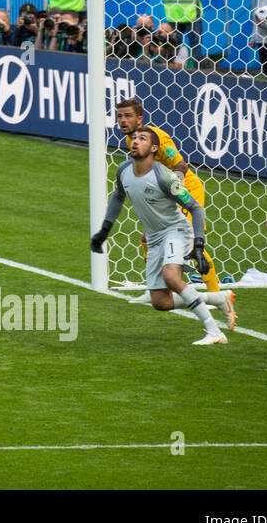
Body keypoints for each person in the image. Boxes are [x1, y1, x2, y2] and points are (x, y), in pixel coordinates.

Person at [90, 128, 234, 345]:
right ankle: (218, 298)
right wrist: (104, 230)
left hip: (176, 231)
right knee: (161, 302)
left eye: (142, 139)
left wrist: (198, 244)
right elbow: (118, 197)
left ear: (154, 149)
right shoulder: (124, 170)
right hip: (155, 237)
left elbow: (194, 208)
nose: (135, 142)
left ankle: (215, 332)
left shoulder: (164, 177)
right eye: (135, 138)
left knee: (171, 277)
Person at [114, 98, 222, 294]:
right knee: (148, 239)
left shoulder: (158, 138)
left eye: (128, 116)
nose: (122, 120)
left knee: (188, 244)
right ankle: (155, 288)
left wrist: (174, 188)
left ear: (140, 119)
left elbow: (181, 165)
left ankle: (217, 295)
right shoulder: (131, 139)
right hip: (163, 192)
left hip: (185, 188)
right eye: (119, 116)